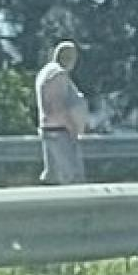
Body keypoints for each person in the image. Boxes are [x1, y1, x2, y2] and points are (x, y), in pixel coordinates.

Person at [35, 40, 88, 184]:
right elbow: (57, 106)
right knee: (73, 176)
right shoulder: (58, 74)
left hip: (50, 129)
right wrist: (72, 127)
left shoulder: (46, 72)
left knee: (53, 176)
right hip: (60, 131)